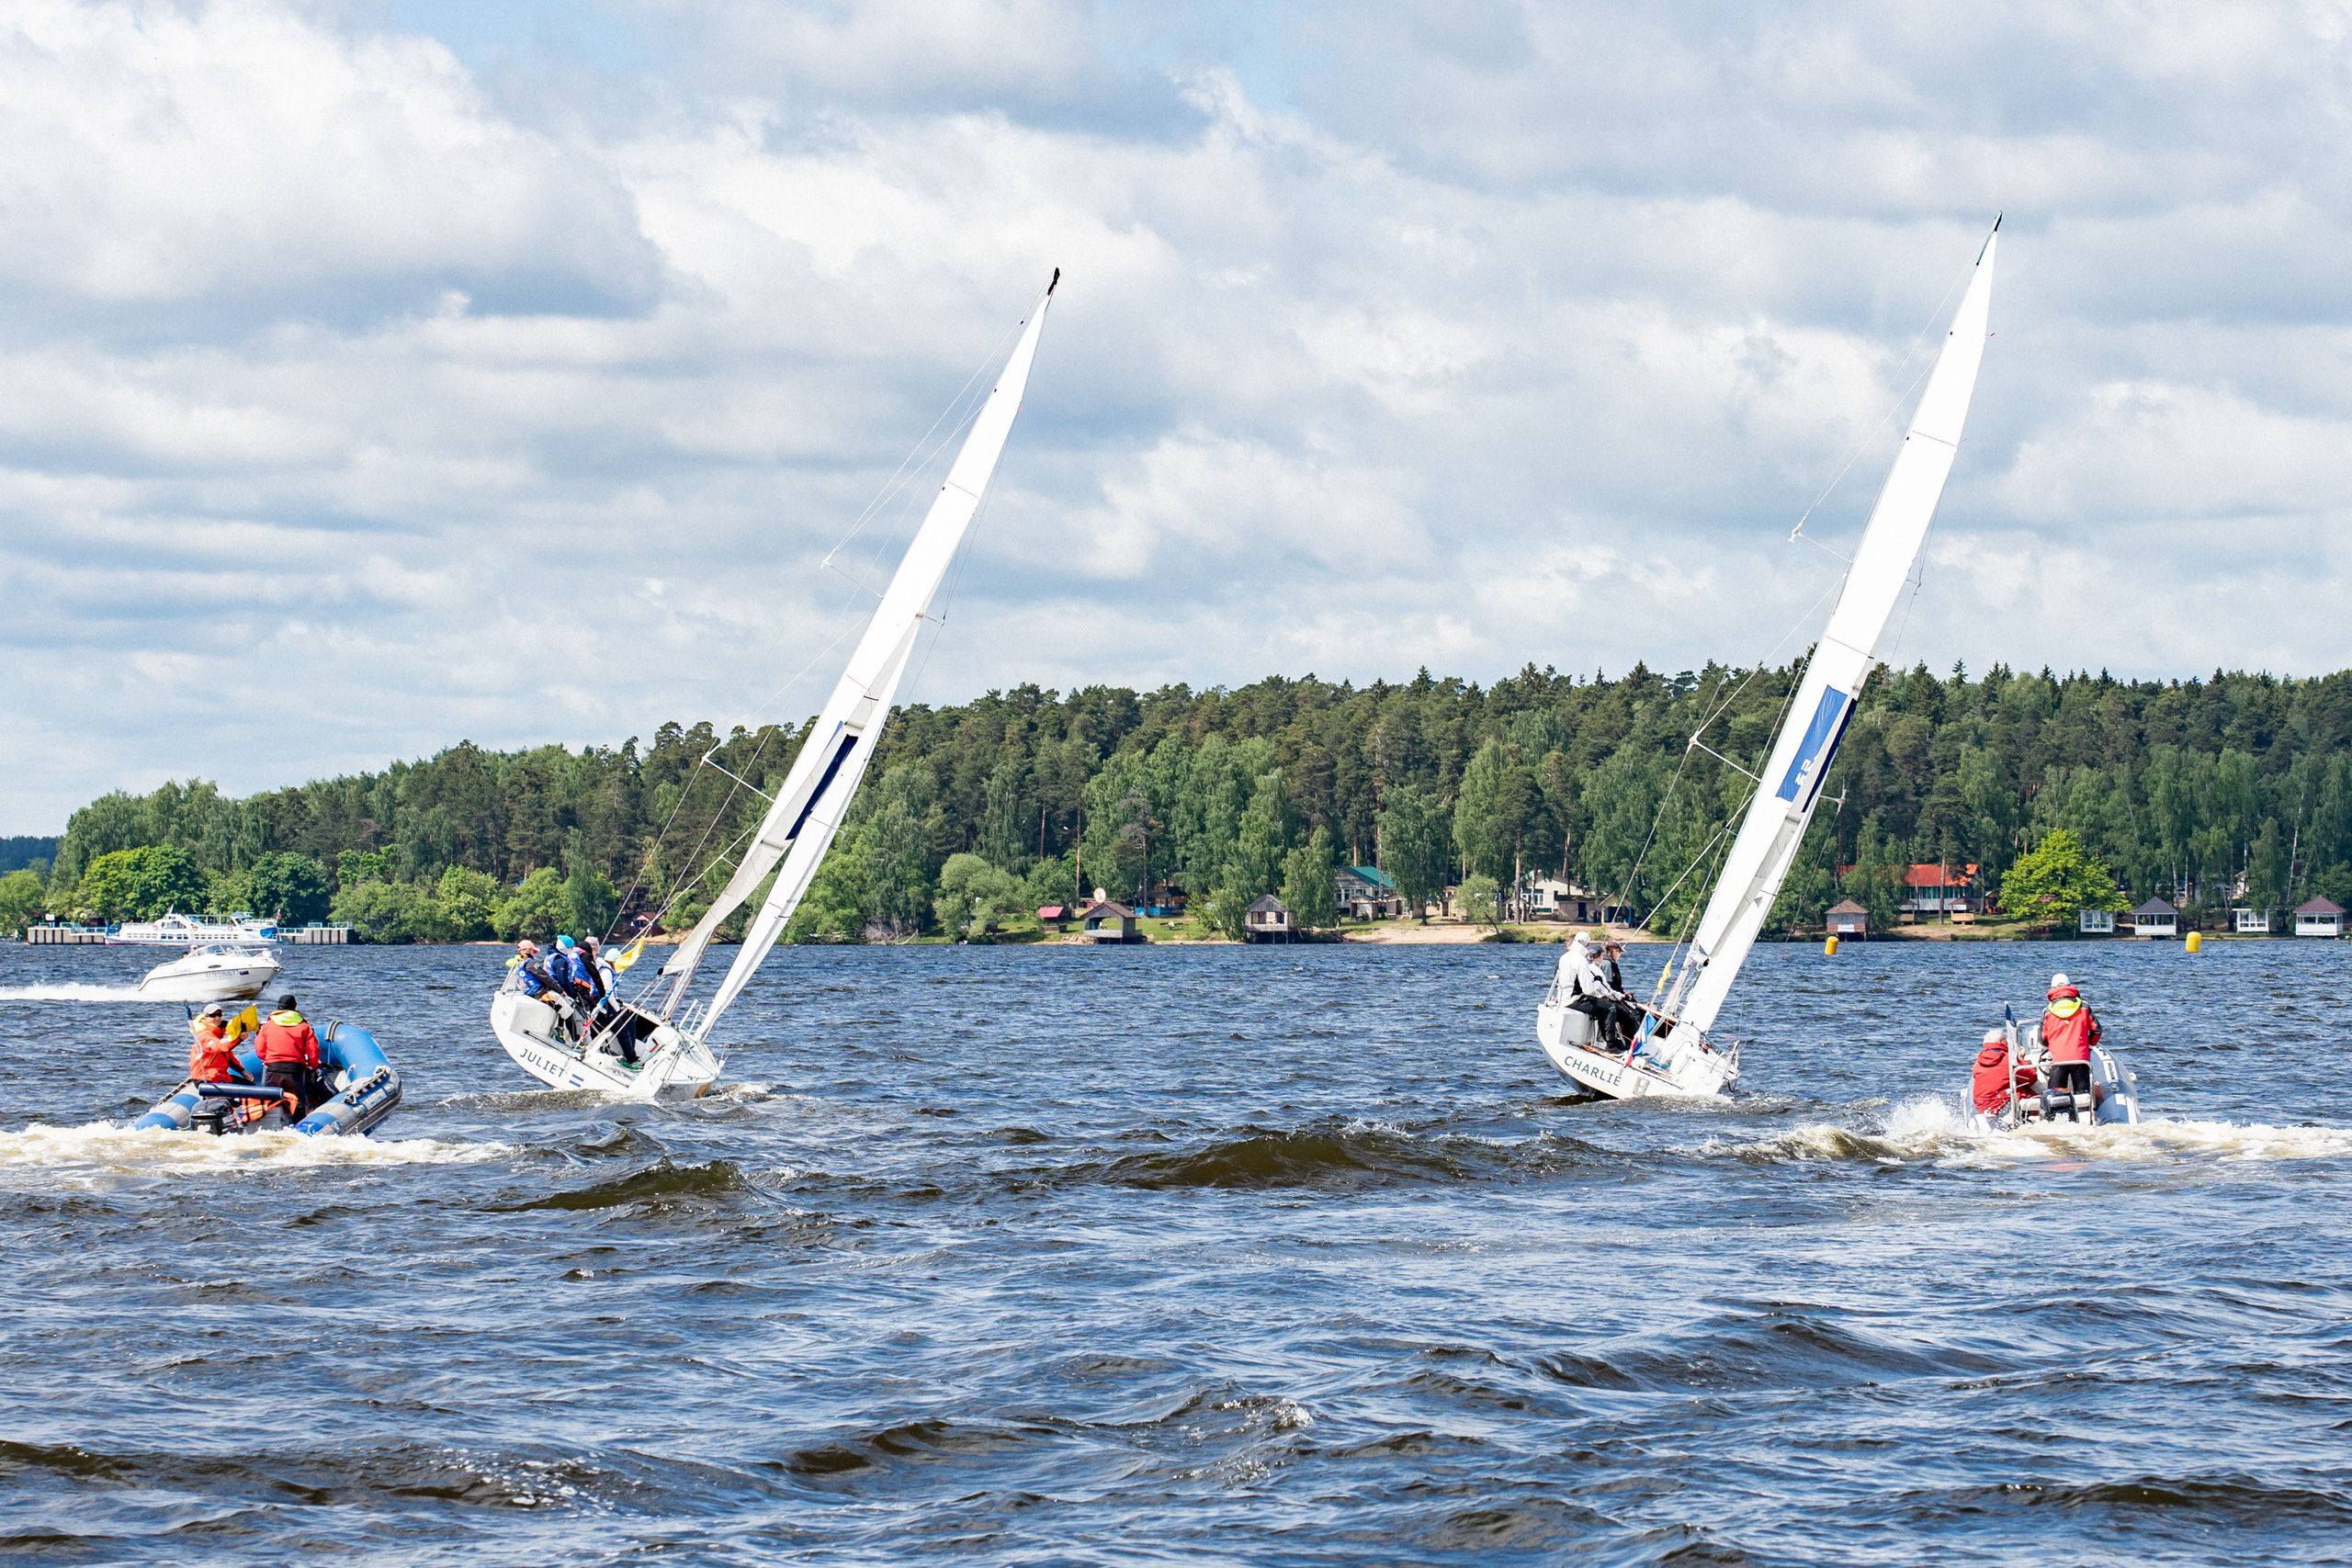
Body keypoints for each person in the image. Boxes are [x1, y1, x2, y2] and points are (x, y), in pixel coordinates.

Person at [255, 993, 322, 1122]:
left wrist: (269, 1059)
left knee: (270, 1099)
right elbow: (313, 1050)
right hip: (295, 1069)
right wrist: (313, 1066)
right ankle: (299, 1124)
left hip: (274, 1067)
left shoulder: (268, 1026)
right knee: (298, 1101)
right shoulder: (304, 1027)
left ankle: (270, 1123)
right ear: (295, 1007)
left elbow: (259, 1050)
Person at [2041, 972, 2102, 1099]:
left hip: (2058, 1059)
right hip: (2080, 1058)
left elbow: (2042, 1038)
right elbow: (2097, 1030)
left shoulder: (2048, 1010)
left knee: (2055, 1097)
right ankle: (2084, 1110)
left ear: (2052, 989)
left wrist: (2052, 1048)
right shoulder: (2084, 1007)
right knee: (2083, 1097)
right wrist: (2089, 1046)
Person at [581, 936, 639, 1065]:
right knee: (623, 1030)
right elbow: (607, 992)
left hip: (606, 1003)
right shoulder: (606, 971)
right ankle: (632, 1059)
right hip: (603, 1005)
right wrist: (617, 1009)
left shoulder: (602, 967)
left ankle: (631, 1054)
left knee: (630, 1023)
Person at [1971, 1028, 2032, 1116]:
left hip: (1981, 1106)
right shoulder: (2008, 1060)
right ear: (2002, 1042)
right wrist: (2022, 1061)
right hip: (2001, 1104)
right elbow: (2031, 1078)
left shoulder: (1978, 1062)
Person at [187, 1003, 249, 1084]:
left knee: (250, 1085)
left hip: (220, 1076)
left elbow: (228, 1056)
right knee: (247, 1089)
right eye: (213, 1015)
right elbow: (219, 1048)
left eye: (219, 1015)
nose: (217, 1018)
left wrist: (242, 1071)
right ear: (205, 1018)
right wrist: (239, 1039)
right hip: (207, 1078)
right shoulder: (204, 1034)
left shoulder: (218, 1034)